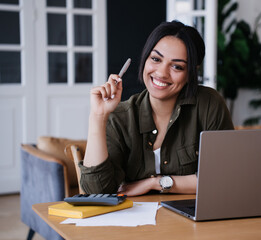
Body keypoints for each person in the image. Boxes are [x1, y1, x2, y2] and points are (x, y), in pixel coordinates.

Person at [80, 20, 234, 196]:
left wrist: (155, 183)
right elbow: (95, 192)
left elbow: (224, 177)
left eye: (177, 66)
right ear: (145, 58)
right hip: (133, 220)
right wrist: (98, 116)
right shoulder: (121, 117)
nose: (161, 73)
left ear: (190, 73)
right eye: (155, 59)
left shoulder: (209, 105)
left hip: (192, 220)